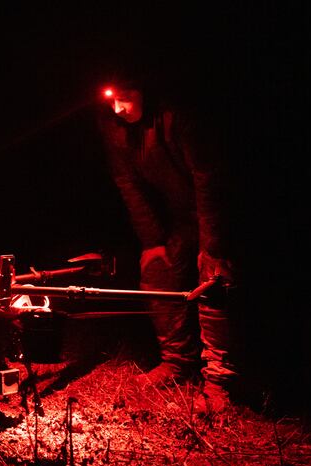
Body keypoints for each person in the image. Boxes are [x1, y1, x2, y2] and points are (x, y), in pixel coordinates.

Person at [98, 76, 239, 415]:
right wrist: (153, 242)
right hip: (181, 217)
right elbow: (128, 184)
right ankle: (177, 361)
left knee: (213, 278)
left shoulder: (179, 118)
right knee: (156, 269)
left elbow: (208, 180)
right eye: (111, 98)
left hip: (221, 212)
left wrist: (212, 244)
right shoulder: (114, 127)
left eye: (127, 97)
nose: (119, 108)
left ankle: (220, 379)